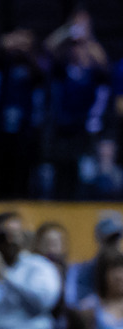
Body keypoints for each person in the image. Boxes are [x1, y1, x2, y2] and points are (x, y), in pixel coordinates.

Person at [46, 27, 109, 200]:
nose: (77, 49)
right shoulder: (62, 70)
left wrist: (89, 40)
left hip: (85, 132)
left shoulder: (95, 73)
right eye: (74, 46)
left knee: (85, 176)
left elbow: (104, 63)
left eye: (81, 46)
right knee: (62, 173)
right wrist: (68, 30)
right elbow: (49, 47)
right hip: (63, 130)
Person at [0, 28, 45, 199]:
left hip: (26, 130)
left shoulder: (33, 65)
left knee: (23, 177)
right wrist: (8, 42)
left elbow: (41, 74)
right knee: (0, 176)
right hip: (0, 128)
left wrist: (28, 51)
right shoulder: (3, 63)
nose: (20, 46)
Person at [66, 211, 123, 305]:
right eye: (109, 240)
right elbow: (73, 303)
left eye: (116, 239)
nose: (113, 244)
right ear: (98, 239)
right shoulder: (80, 271)